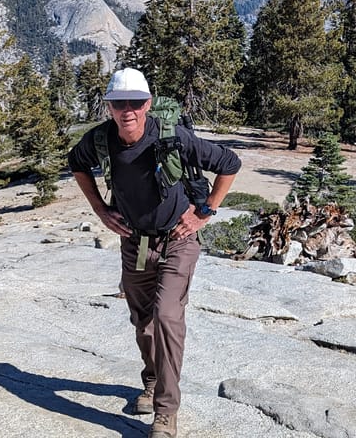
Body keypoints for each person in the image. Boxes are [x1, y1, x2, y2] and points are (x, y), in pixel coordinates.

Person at [68, 67, 241, 438]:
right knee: (142, 323)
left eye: (134, 102)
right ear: (109, 107)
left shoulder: (171, 136)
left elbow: (230, 164)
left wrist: (203, 213)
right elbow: (77, 164)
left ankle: (166, 411)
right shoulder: (99, 140)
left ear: (147, 104)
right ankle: (151, 380)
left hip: (177, 239)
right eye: (118, 103)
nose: (127, 110)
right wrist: (100, 209)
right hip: (134, 242)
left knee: (166, 316)